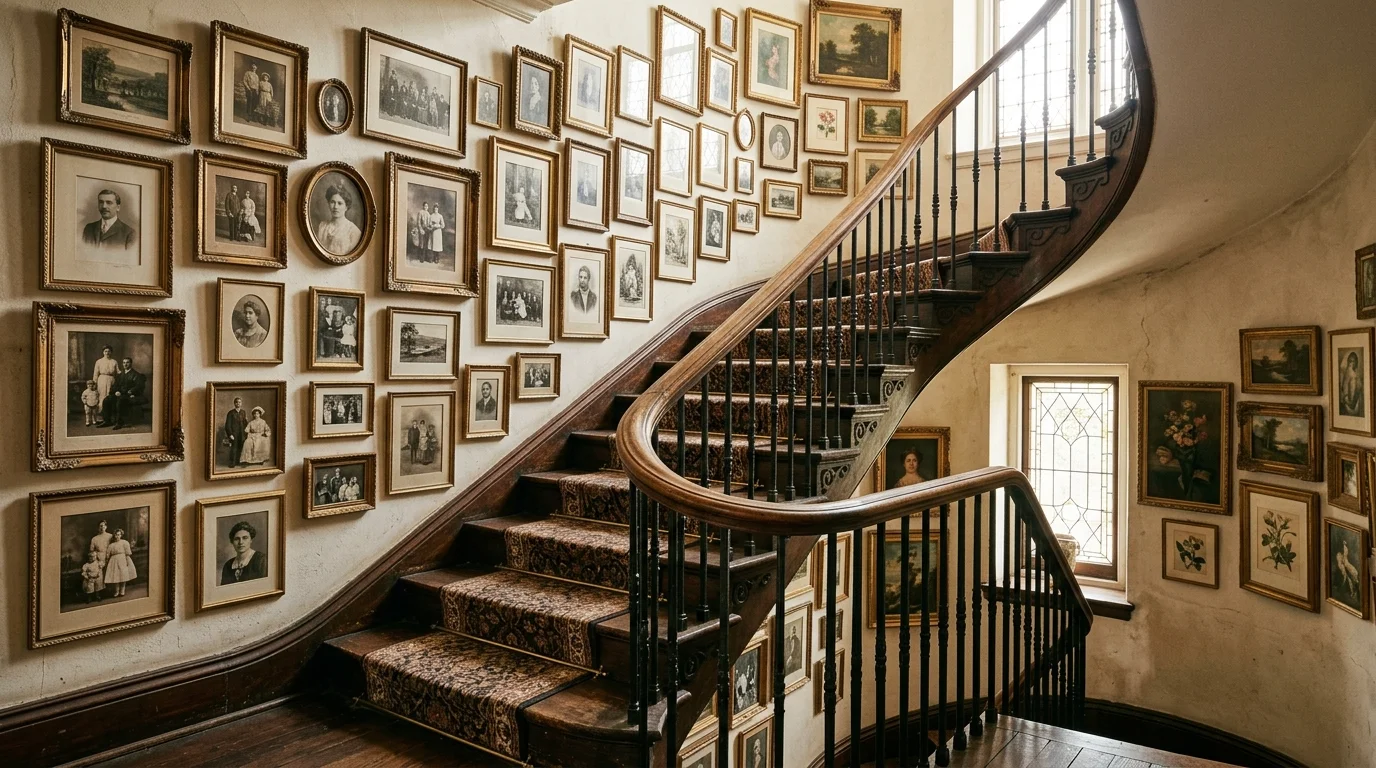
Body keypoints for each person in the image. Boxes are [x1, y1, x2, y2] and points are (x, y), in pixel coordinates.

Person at [315, 183, 363, 255]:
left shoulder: (353, 231)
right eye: (332, 202)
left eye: (340, 203)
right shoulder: (322, 226)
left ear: (346, 207)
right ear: (328, 204)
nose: (335, 207)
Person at [102, 357, 145, 430]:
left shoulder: (136, 374)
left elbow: (139, 386)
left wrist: (131, 391)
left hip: (128, 395)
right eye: (124, 362)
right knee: (106, 400)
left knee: (121, 401)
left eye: (127, 362)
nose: (125, 364)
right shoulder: (120, 374)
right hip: (119, 393)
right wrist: (116, 391)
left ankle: (119, 422)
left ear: (131, 363)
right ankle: (107, 421)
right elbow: (115, 385)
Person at [221, 520, 267, 584]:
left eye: (245, 538)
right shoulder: (228, 565)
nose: (241, 542)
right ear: (232, 542)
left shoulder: (261, 560)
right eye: (237, 539)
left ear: (251, 540)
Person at [103, 528, 137, 598]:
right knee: (116, 576)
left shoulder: (125, 542)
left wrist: (127, 561)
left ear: (121, 535)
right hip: (114, 561)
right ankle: (116, 591)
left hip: (123, 559)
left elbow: (127, 553)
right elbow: (108, 555)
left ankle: (122, 590)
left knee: (123, 575)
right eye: (116, 535)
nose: (117, 536)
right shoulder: (111, 545)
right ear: (114, 535)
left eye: (119, 535)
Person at [91, 346, 119, 413]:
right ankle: (101, 412)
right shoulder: (99, 361)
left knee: (110, 396)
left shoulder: (114, 361)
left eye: (109, 351)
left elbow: (118, 372)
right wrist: (94, 384)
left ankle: (110, 413)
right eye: (105, 351)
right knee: (102, 395)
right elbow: (95, 373)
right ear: (103, 352)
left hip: (111, 379)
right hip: (102, 380)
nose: (107, 353)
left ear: (111, 352)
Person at [223, 396, 249, 468]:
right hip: (234, 434)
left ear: (241, 403)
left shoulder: (243, 412)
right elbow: (227, 425)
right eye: (236, 402)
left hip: (242, 433)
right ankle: (232, 463)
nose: (238, 403)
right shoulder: (231, 413)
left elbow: (245, 423)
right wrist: (230, 434)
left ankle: (239, 461)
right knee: (234, 448)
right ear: (234, 403)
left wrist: (247, 430)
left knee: (241, 447)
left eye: (239, 402)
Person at [1340, 351, 1364, 416]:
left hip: (1357, 404)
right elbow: (1344, 390)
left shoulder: (1357, 374)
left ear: (1356, 362)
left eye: (1353, 361)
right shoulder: (1348, 373)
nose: (1351, 363)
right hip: (1349, 406)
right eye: (1350, 361)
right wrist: (1349, 402)